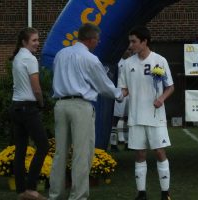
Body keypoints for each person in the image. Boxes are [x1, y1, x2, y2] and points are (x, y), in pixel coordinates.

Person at [48, 23, 123, 200]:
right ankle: (78, 196)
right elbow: (103, 84)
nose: (98, 42)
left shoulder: (60, 54)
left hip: (60, 104)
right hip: (80, 106)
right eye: (97, 39)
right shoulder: (90, 58)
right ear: (90, 39)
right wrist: (119, 93)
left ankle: (55, 194)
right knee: (82, 154)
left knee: (60, 153)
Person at [119, 26, 174, 200]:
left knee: (159, 151)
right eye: (130, 41)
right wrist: (115, 94)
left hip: (155, 117)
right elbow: (124, 90)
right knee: (140, 154)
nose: (130, 45)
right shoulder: (127, 64)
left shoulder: (160, 60)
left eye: (134, 41)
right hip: (135, 117)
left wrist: (161, 99)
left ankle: (165, 193)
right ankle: (141, 193)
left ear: (144, 41)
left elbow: (170, 86)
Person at [9, 27, 49, 200]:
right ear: (25, 42)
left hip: (16, 108)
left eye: (38, 40)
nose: (37, 43)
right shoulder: (30, 59)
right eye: (34, 40)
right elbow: (36, 88)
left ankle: (21, 191)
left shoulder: (17, 57)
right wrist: (41, 103)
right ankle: (31, 189)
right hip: (28, 108)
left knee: (21, 149)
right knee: (43, 146)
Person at [110, 48, 132, 152]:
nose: (128, 51)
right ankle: (113, 144)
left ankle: (127, 143)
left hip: (130, 94)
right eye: (126, 49)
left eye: (129, 50)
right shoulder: (117, 63)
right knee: (115, 118)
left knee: (128, 118)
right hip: (119, 92)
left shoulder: (132, 62)